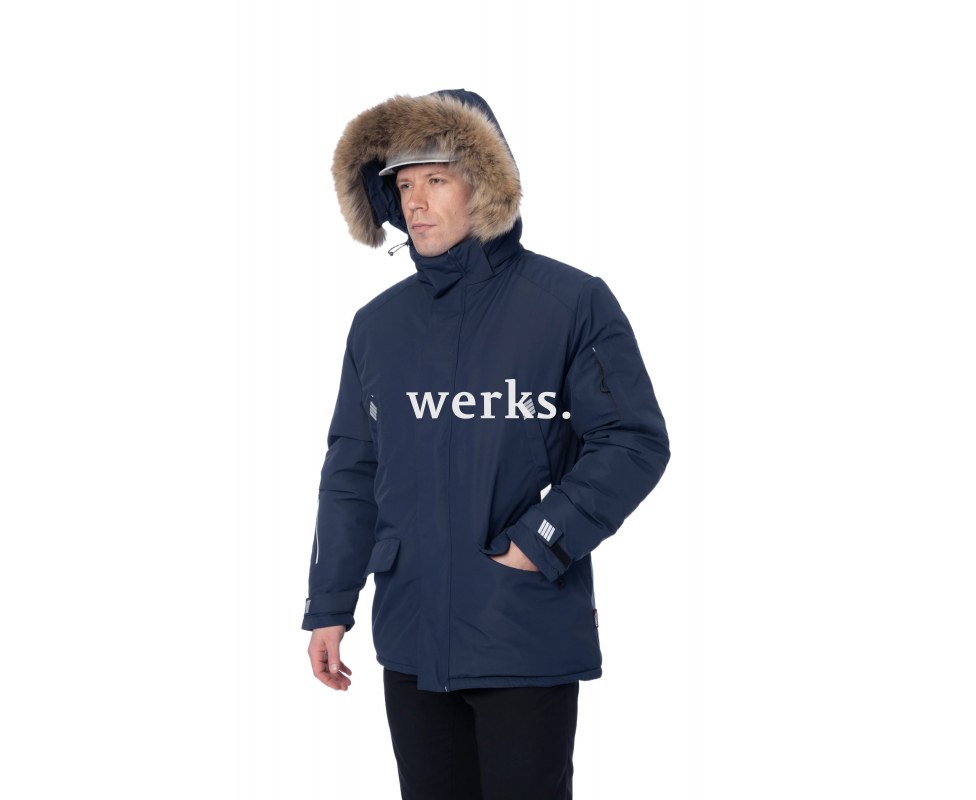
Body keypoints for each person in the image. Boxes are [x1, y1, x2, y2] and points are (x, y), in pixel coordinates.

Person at [303, 88, 671, 800]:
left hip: (521, 626)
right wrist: (329, 603)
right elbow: (353, 468)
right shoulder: (378, 326)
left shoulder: (570, 303)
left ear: (485, 182)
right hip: (411, 634)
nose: (416, 202)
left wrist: (540, 541)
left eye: (436, 179)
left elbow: (632, 440)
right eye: (403, 185)